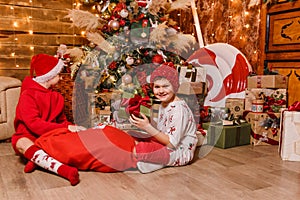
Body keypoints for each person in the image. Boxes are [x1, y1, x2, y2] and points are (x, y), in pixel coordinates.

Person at [11, 54, 86, 186]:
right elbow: (33, 124)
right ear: (48, 76)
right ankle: (63, 170)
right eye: (58, 75)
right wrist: (65, 128)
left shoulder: (57, 97)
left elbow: (61, 121)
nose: (61, 78)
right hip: (29, 134)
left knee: (67, 142)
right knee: (21, 142)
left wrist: (72, 128)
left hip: (49, 134)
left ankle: (36, 159)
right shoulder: (28, 94)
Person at [129, 64, 198, 173]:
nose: (161, 91)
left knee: (140, 149)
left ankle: (157, 162)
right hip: (163, 143)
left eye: (166, 86)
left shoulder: (178, 110)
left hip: (179, 151)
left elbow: (172, 143)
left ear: (174, 87)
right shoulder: (164, 103)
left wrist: (147, 127)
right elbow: (160, 130)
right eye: (157, 87)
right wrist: (143, 122)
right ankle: (154, 161)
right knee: (131, 135)